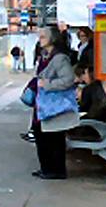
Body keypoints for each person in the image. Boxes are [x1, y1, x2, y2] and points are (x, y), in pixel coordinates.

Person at [31, 26, 76, 179]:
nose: (40, 39)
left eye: (43, 37)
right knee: (41, 135)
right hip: (43, 104)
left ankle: (55, 170)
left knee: (52, 137)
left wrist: (47, 84)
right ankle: (47, 168)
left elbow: (69, 79)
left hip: (53, 105)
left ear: (52, 39)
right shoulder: (45, 55)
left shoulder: (59, 58)